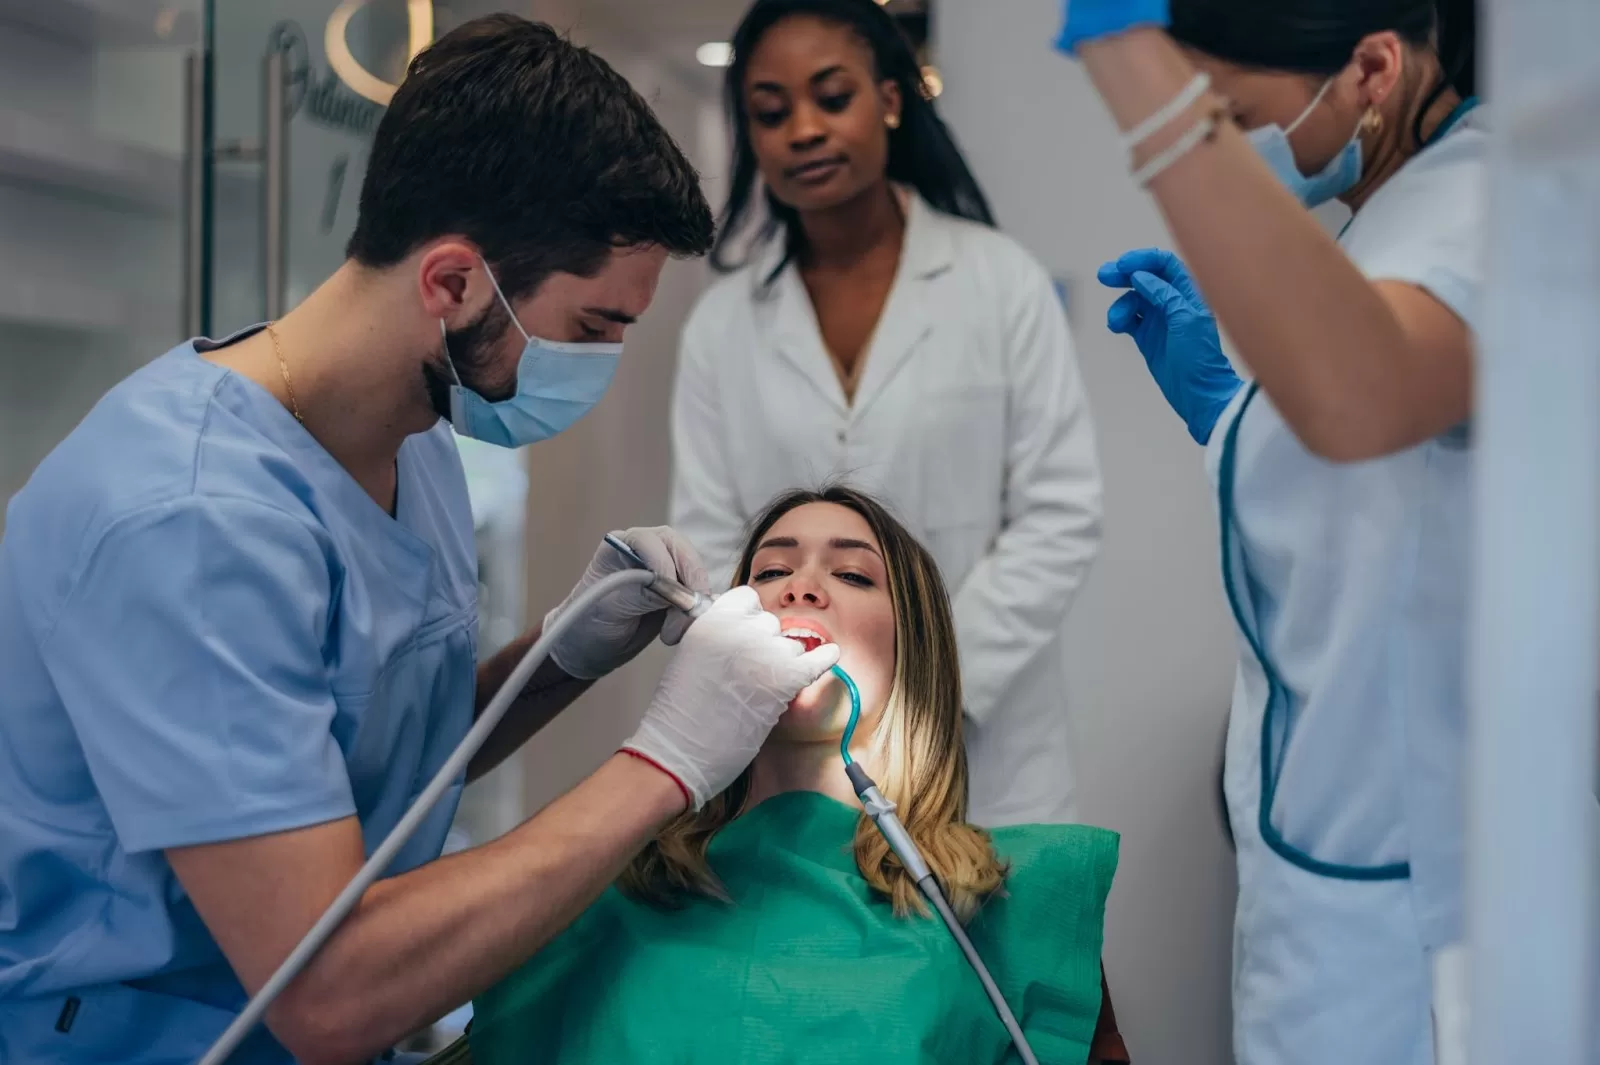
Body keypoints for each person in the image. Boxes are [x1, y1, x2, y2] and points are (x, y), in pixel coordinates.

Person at [0, 17, 840, 1065]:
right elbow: (326, 991)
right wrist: (667, 763)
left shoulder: (416, 436)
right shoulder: (192, 522)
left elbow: (374, 772)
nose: (605, 362)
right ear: (451, 284)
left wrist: (558, 658)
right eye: (591, 329)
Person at [1053, 2, 1481, 1063]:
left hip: (1428, 897)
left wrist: (1129, 59)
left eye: (1236, 115)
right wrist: (1229, 416)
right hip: (1349, 861)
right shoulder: (1394, 218)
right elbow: (1393, 494)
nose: (1237, 158)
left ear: (1373, 69)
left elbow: (1370, 394)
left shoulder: (1494, 201)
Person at [430, 486, 1122, 1065]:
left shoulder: (1011, 903)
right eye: (767, 573)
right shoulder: (592, 886)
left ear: (920, 654)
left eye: (852, 575)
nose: (800, 585)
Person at [670, 0, 1104, 830]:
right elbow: (713, 537)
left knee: (992, 951)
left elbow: (1060, 511)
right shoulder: (723, 324)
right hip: (798, 739)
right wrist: (803, 681)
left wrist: (930, 680)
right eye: (771, 111)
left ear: (892, 100)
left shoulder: (1000, 282)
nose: (802, 129)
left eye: (832, 98)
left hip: (987, 746)